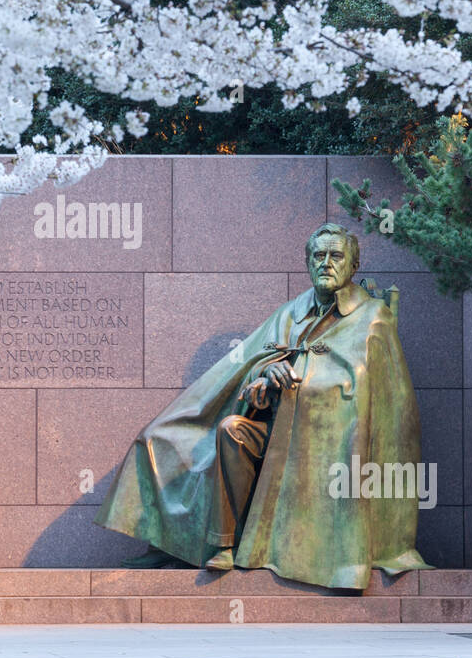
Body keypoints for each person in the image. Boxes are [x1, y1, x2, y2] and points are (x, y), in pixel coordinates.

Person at [94, 222, 431, 589]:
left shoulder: (373, 316)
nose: (327, 264)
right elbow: (250, 364)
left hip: (324, 446)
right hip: (271, 429)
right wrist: (265, 376)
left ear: (353, 265)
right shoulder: (290, 313)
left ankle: (247, 544)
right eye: (319, 256)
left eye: (336, 256)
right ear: (307, 263)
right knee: (171, 436)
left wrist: (301, 378)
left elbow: (367, 390)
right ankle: (201, 543)